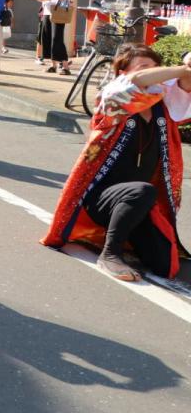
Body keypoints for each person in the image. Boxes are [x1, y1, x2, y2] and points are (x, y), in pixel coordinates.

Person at [43, 44, 191, 281]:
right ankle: (110, 253)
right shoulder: (112, 96)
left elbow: (185, 88)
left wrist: (188, 71)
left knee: (164, 264)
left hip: (140, 203)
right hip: (101, 198)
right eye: (144, 66)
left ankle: (130, 239)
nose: (153, 72)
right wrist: (182, 68)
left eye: (156, 67)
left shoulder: (162, 105)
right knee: (141, 190)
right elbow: (138, 79)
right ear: (123, 72)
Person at [31, 0, 74, 75]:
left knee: (57, 38)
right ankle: (53, 65)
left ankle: (65, 66)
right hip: (47, 9)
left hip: (59, 11)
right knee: (47, 38)